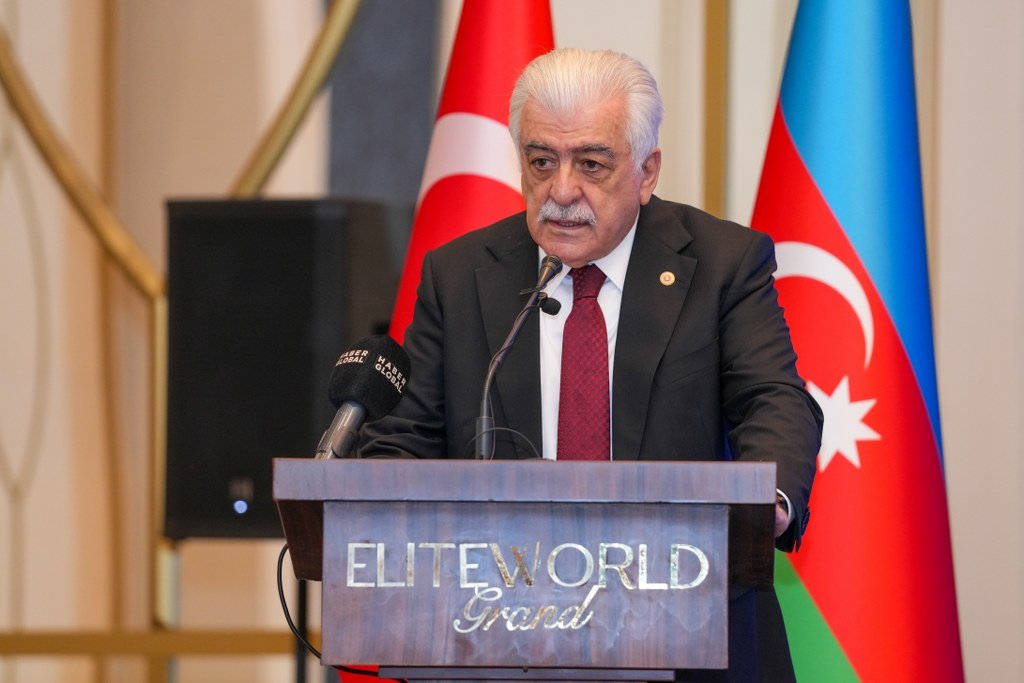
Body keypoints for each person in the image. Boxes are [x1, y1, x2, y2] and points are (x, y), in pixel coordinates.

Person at [361, 48, 822, 681]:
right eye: (541, 161)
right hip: (496, 639)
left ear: (647, 171)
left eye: (591, 164)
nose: (561, 191)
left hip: (694, 637)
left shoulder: (723, 264)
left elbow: (773, 399)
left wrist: (767, 500)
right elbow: (406, 439)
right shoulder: (460, 274)